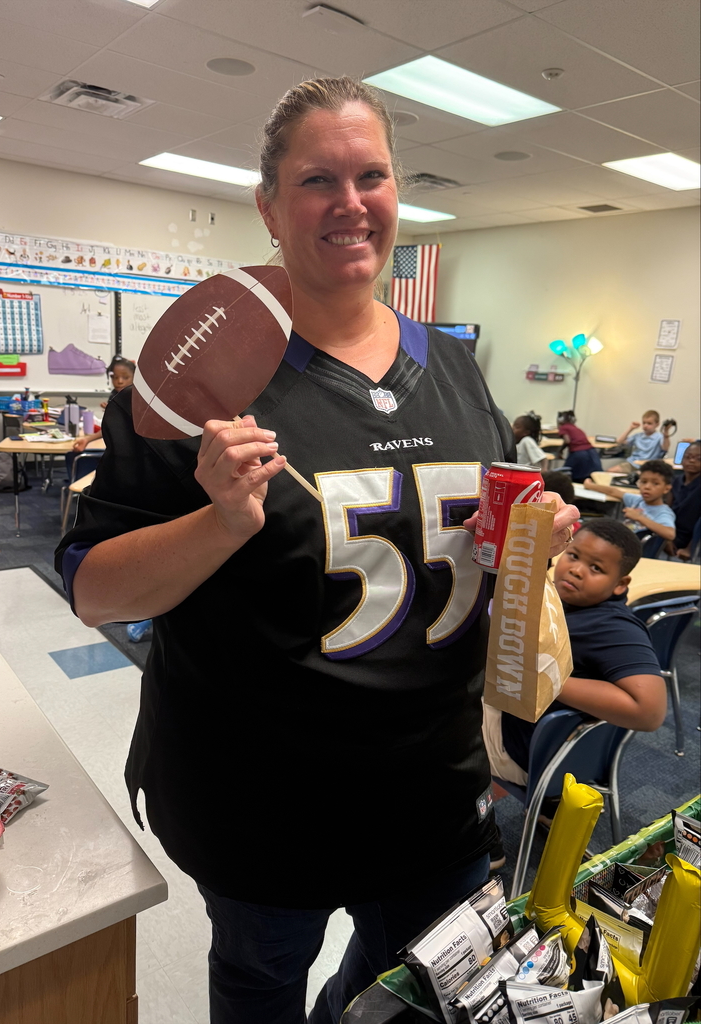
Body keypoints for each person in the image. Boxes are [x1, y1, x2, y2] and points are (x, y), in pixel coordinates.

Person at [55, 77, 578, 1024]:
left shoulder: (455, 367)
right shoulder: (193, 380)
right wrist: (218, 519)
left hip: (432, 790)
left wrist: (533, 538)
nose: (350, 202)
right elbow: (94, 590)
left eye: (371, 175)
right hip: (260, 804)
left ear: (397, 193)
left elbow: (484, 545)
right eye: (316, 180)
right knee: (262, 986)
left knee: (415, 990)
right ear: (267, 205)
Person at [483, 519, 665, 791]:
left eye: (596, 568)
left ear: (620, 584)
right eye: (574, 556)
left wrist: (545, 678)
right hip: (531, 735)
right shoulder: (567, 603)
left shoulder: (611, 627)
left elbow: (650, 711)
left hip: (521, 752)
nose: (576, 571)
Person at [584, 460, 676, 543]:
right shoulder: (638, 500)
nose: (647, 487)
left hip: (628, 549)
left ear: (666, 489)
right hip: (619, 540)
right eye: (643, 482)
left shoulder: (663, 512)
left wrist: (639, 517)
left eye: (655, 483)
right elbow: (614, 491)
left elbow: (670, 534)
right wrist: (590, 486)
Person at [668, 440, 700, 560]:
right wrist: (666, 538)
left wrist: (690, 548)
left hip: (692, 537)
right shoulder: (676, 481)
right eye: (688, 457)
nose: (692, 461)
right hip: (671, 532)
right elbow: (666, 510)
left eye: (698, 459)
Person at [557, 410, 602, 482]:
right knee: (590, 477)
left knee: (565, 475)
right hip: (592, 452)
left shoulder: (563, 427)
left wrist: (560, 450)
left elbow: (567, 440)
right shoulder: (576, 428)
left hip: (579, 453)